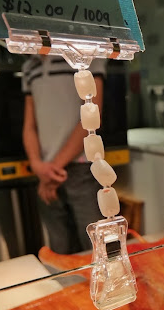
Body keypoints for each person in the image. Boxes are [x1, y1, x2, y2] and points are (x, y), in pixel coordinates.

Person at [22, 54, 107, 254]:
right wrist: (37, 165)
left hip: (82, 168)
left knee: (96, 248)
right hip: (46, 171)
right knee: (59, 249)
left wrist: (50, 171)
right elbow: (29, 125)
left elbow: (92, 117)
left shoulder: (85, 55)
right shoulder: (29, 66)